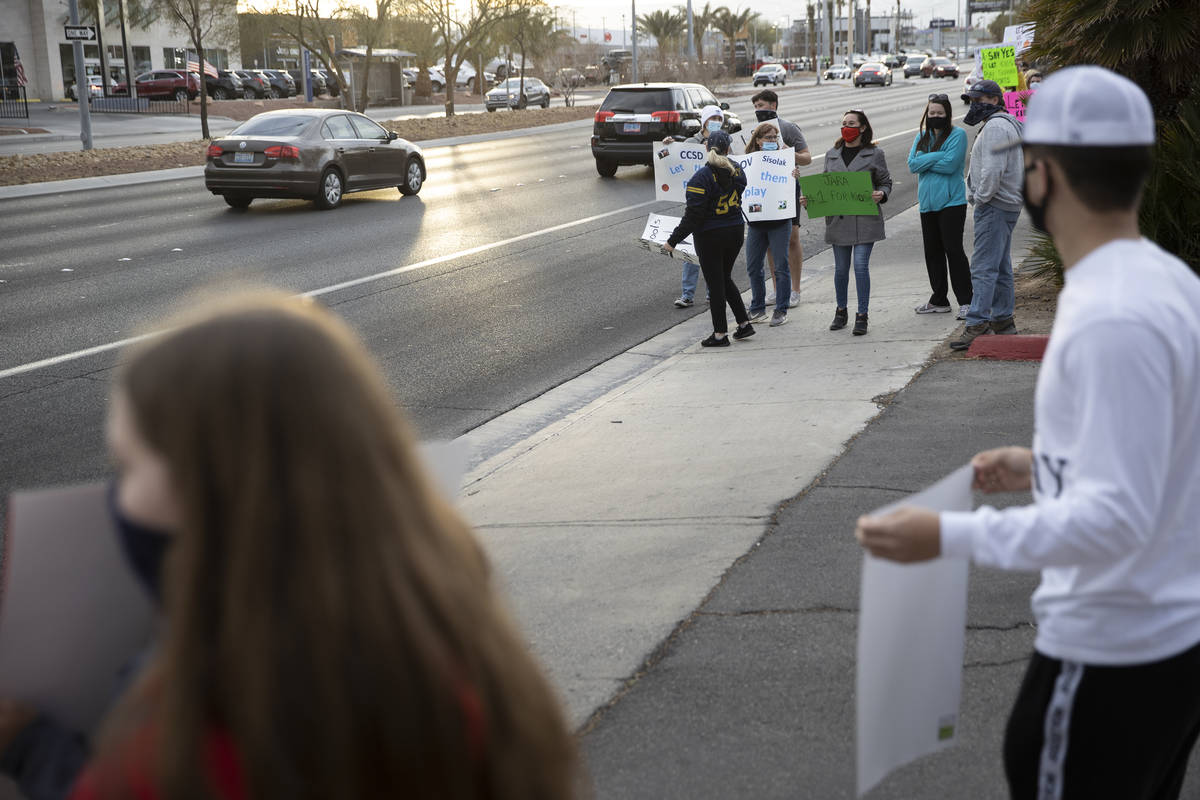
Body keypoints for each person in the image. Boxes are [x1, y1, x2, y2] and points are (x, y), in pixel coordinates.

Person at [43, 293, 576, 799]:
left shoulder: (188, 739)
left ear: (212, 490)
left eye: (128, 466)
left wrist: (35, 752)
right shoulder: (459, 657)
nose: (116, 494)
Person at [855, 66, 1200, 800]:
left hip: (1107, 657)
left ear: (1043, 174)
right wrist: (1045, 465)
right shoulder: (1168, 283)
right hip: (1171, 644)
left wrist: (945, 537)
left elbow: (1114, 518)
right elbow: (1163, 457)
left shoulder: (1108, 312)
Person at [951, 78, 1024, 351]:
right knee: (1001, 266)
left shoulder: (995, 128)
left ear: (994, 100)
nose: (973, 105)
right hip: (1006, 204)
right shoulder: (1006, 125)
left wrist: (980, 198)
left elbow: (992, 171)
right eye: (971, 100)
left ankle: (978, 322)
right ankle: (1003, 320)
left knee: (983, 267)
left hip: (994, 205)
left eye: (978, 100)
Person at [805, 109, 892, 336]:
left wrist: (881, 194)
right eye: (843, 123)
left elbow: (885, 182)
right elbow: (825, 187)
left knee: (861, 265)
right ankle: (841, 310)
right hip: (839, 220)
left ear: (862, 127)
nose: (846, 127)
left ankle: (862, 315)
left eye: (851, 123)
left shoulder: (875, 153)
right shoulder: (832, 154)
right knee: (841, 269)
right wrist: (810, 200)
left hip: (865, 219)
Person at [663, 131, 752, 347]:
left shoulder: (701, 178)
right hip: (735, 231)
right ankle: (743, 324)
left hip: (711, 236)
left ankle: (720, 334)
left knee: (716, 283)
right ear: (729, 149)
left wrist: (672, 241)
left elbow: (693, 216)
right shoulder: (738, 170)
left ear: (706, 147)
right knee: (724, 277)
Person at [907, 93, 972, 318]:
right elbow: (912, 165)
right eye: (932, 113)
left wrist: (928, 159)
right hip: (927, 204)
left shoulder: (958, 135)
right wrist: (938, 156)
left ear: (947, 114)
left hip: (952, 203)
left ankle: (966, 301)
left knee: (953, 251)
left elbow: (951, 165)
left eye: (940, 113)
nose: (935, 117)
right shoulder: (921, 137)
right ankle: (939, 299)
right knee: (932, 253)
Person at [750, 89, 812, 308]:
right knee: (769, 242)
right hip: (764, 190)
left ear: (774, 105)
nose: (759, 110)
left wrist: (789, 153)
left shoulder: (788, 128)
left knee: (791, 238)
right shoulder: (754, 130)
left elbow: (807, 158)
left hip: (787, 188)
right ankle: (777, 290)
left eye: (763, 105)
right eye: (756, 106)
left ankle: (795, 289)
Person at [663, 104, 725, 309]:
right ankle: (687, 294)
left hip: (717, 205)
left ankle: (712, 292)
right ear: (704, 121)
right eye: (712, 118)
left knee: (714, 253)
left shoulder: (724, 142)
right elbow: (671, 161)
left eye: (719, 118)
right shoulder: (691, 142)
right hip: (697, 203)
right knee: (692, 252)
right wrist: (668, 147)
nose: (716, 122)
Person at [742, 122, 800, 327]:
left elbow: (793, 190)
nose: (772, 141)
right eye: (768, 138)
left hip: (780, 221)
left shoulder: (785, 160)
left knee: (781, 266)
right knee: (753, 266)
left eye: (775, 137)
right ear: (758, 141)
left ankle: (781, 309)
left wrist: (794, 177)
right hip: (757, 221)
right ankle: (757, 308)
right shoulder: (748, 161)